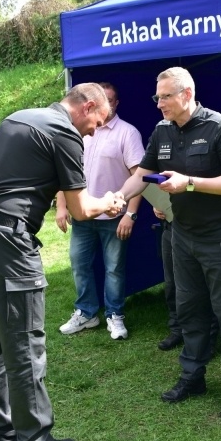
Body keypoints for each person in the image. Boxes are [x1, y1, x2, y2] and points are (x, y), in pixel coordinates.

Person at [0, 83, 124, 441]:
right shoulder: (65, 133)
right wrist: (109, 201)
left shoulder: (18, 118)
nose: (95, 131)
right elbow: (81, 209)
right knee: (24, 349)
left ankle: (4, 437)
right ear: (88, 106)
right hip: (7, 244)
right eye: (98, 121)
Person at [116, 67, 221, 421]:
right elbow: (141, 174)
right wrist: (118, 197)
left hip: (219, 239)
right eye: (157, 96)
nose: (159, 103)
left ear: (187, 94)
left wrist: (190, 182)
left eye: (165, 96)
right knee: (189, 309)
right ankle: (193, 377)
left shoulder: (220, 127)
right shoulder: (162, 130)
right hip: (182, 235)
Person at [55, 83, 145, 341]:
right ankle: (86, 313)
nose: (107, 104)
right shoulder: (79, 131)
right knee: (79, 265)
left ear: (116, 103)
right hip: (83, 215)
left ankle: (115, 314)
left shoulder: (127, 133)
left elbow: (140, 177)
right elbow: (64, 173)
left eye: (111, 100)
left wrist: (130, 215)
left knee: (114, 268)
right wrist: (61, 206)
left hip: (114, 217)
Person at [153, 206, 219, 352]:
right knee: (171, 285)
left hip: (199, 230)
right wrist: (157, 206)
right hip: (170, 228)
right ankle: (177, 329)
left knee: (202, 287)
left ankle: (208, 339)